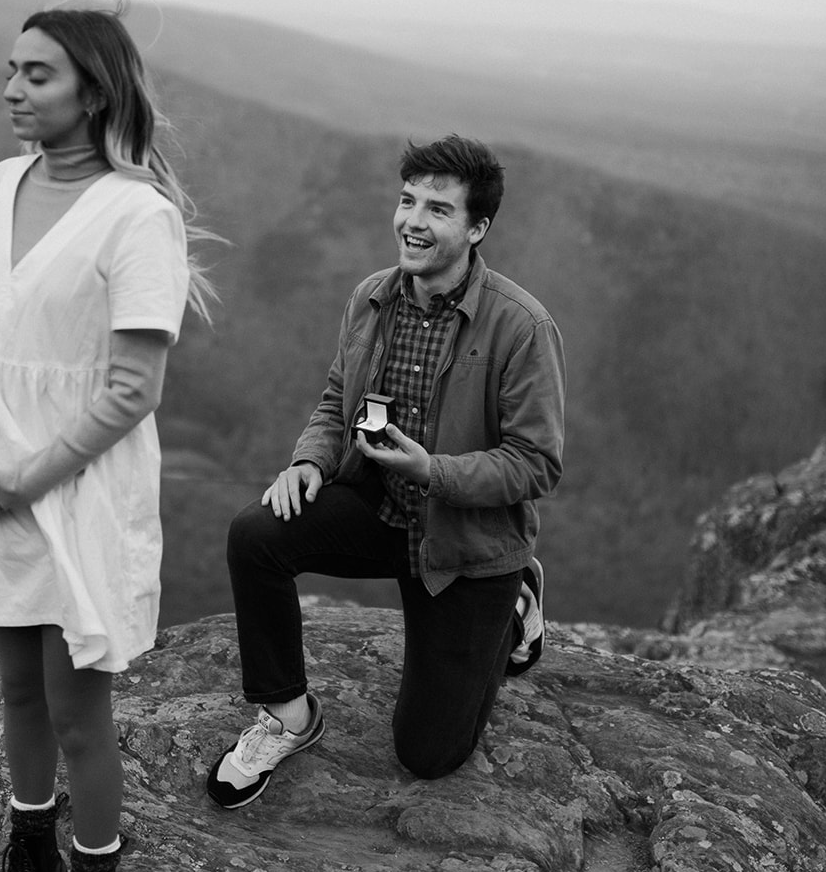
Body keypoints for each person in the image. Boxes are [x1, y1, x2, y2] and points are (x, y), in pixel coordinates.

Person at [0, 3, 214, 872]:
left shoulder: (139, 217)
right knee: (14, 691)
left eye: (37, 74)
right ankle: (30, 869)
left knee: (76, 708)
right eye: (10, 69)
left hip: (80, 494)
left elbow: (131, 390)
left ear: (93, 90)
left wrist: (20, 477)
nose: (11, 88)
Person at [207, 134, 564, 810]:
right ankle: (288, 715)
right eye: (407, 201)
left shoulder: (521, 326)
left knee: (427, 755)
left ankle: (514, 595)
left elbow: (537, 463)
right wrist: (310, 460)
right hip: (380, 511)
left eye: (438, 208)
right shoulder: (374, 297)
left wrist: (434, 470)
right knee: (256, 534)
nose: (413, 221)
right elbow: (337, 397)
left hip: (464, 543)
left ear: (477, 227)